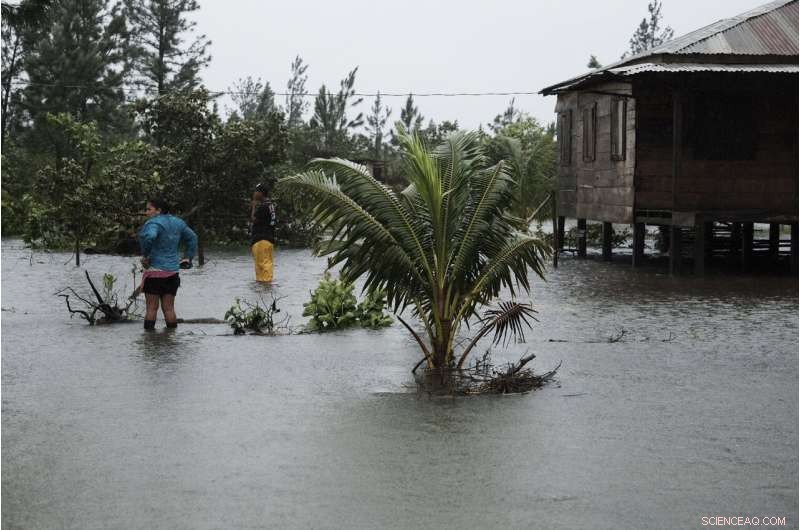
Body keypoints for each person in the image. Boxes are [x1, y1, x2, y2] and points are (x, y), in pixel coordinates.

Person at [138, 197, 198, 330]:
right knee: (169, 309)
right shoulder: (178, 223)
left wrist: (146, 255)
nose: (146, 213)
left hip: (155, 272)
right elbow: (193, 238)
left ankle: (149, 342)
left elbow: (150, 237)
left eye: (149, 209)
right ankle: (171, 341)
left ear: (159, 210)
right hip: (172, 272)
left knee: (152, 308)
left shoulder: (153, 223)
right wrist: (188, 257)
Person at [250, 182, 277, 282]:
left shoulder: (263, 206)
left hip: (262, 240)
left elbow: (254, 219)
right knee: (265, 265)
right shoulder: (270, 205)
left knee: (263, 266)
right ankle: (263, 288)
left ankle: (266, 289)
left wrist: (253, 206)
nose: (254, 194)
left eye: (256, 191)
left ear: (261, 193)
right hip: (269, 239)